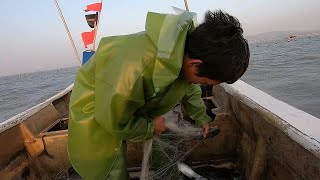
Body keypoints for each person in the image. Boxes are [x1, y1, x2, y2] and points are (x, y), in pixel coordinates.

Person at [68, 9, 249, 179]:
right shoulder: (133, 66)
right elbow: (111, 118)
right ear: (195, 64)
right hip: (97, 111)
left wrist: (201, 116)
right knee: (109, 168)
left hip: (128, 101)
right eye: (205, 83)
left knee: (163, 135)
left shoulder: (186, 50)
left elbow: (189, 85)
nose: (200, 84)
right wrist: (149, 128)